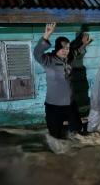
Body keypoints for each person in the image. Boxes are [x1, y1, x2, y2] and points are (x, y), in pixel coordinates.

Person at [34, 23, 91, 153]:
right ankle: (54, 161)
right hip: (54, 106)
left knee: (77, 129)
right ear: (57, 47)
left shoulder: (69, 59)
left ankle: (74, 155)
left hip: (70, 104)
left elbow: (76, 52)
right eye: (63, 48)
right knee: (54, 135)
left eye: (68, 48)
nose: (66, 51)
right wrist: (47, 34)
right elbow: (37, 53)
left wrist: (83, 44)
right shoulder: (49, 60)